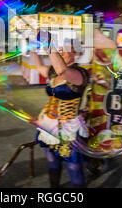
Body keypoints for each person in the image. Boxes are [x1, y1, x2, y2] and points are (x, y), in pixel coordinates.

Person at [31, 35, 90, 188]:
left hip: (68, 129)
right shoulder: (52, 72)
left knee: (74, 168)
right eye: (60, 50)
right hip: (49, 124)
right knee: (52, 163)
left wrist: (47, 42)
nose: (62, 53)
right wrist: (31, 46)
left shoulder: (80, 74)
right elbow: (38, 67)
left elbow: (62, 70)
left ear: (76, 53)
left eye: (65, 51)